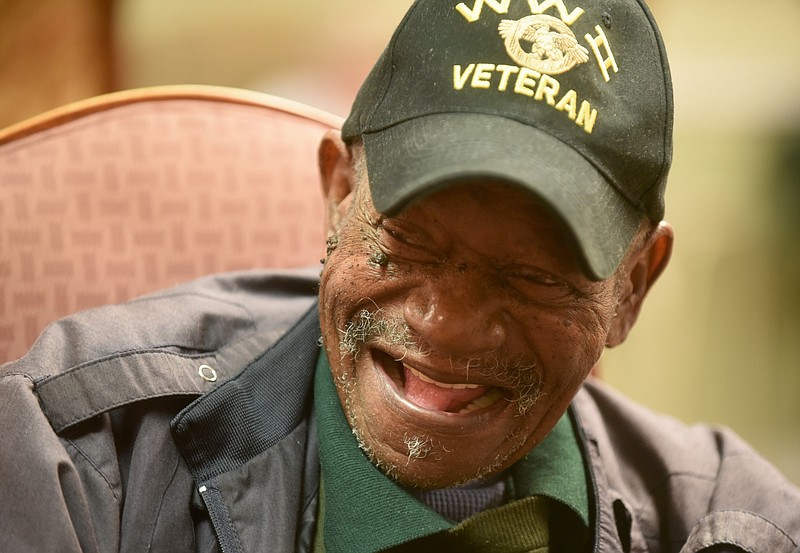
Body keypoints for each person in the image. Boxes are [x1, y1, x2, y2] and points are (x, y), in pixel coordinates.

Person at [2, 0, 799, 551]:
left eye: (526, 276)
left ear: (631, 288)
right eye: (409, 244)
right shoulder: (83, 459)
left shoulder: (731, 525)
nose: (445, 323)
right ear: (338, 194)